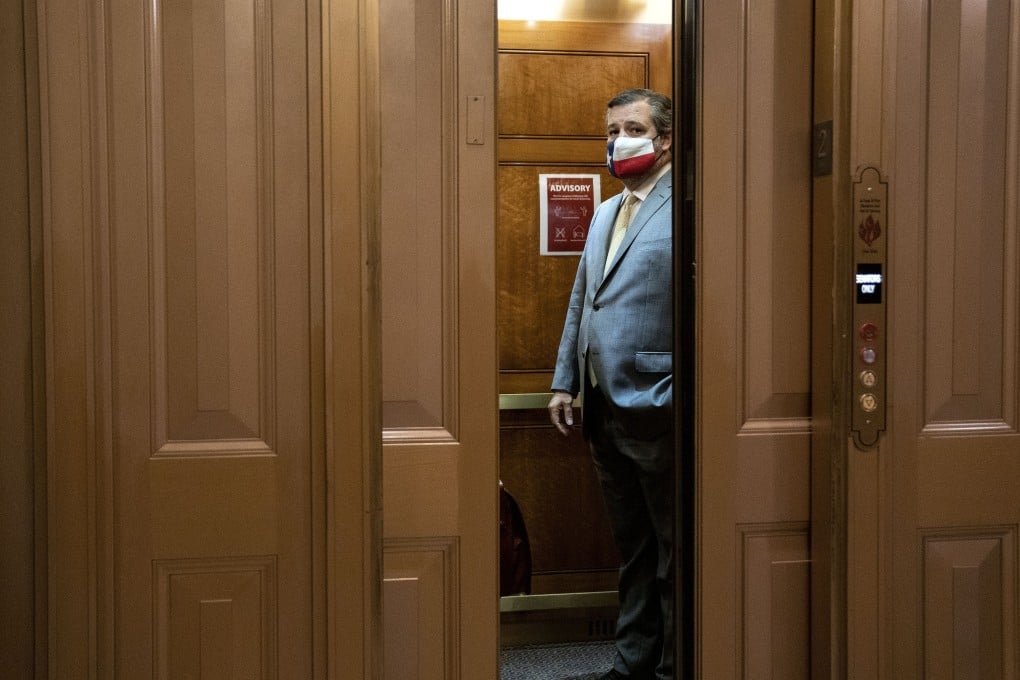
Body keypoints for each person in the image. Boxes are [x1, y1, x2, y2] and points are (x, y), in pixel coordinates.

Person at [548, 88, 674, 680]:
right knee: (634, 551)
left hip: (660, 405)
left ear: (665, 139)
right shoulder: (606, 211)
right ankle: (632, 664)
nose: (618, 140)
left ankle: (677, 663)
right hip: (601, 409)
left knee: (674, 550)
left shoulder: (689, 205)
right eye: (611, 130)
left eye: (631, 127)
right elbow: (584, 301)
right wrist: (564, 381)